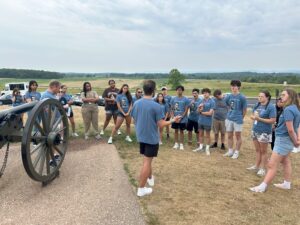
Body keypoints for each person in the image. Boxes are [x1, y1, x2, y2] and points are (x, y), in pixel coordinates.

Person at [131, 80, 181, 197]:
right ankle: (141, 189)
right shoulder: (157, 106)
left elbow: (134, 120)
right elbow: (161, 124)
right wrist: (173, 120)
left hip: (141, 136)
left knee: (147, 159)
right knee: (147, 162)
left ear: (143, 90)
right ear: (153, 91)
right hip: (151, 138)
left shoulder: (137, 103)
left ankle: (149, 177)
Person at [250, 89, 300, 192]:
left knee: (271, 165)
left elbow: (291, 129)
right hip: (285, 140)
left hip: (283, 140)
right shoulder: (295, 108)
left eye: (283, 95)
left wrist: (296, 142)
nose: (281, 97)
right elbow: (296, 127)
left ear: (290, 96)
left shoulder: (288, 110)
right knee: (286, 161)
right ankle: (287, 183)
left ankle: (262, 186)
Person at [247, 90, 276, 176]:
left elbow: (273, 120)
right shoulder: (257, 104)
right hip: (255, 130)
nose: (259, 98)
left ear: (267, 97)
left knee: (263, 151)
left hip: (264, 131)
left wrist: (260, 119)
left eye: (261, 96)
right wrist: (253, 117)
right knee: (257, 150)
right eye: (259, 96)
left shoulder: (271, 107)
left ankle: (263, 168)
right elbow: (252, 115)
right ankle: (256, 166)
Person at [223, 80, 247, 159]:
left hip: (238, 119)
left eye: (235, 86)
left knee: (238, 136)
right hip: (229, 118)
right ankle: (230, 151)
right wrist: (230, 111)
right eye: (232, 86)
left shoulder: (242, 97)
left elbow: (244, 110)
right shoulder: (229, 96)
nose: (233, 87)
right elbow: (226, 103)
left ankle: (236, 152)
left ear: (238, 87)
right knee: (229, 135)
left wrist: (241, 117)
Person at [193, 88, 215, 155]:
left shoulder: (212, 101)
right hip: (200, 120)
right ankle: (200, 147)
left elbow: (210, 113)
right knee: (200, 134)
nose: (205, 94)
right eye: (204, 93)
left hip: (208, 121)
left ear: (209, 93)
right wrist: (199, 108)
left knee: (207, 135)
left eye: (206, 93)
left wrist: (201, 113)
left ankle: (207, 148)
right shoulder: (201, 101)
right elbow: (197, 111)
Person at [170, 85, 190, 150]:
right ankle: (176, 143)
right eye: (178, 90)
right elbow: (172, 109)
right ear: (176, 91)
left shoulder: (186, 99)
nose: (179, 91)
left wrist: (181, 118)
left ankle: (181, 144)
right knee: (175, 131)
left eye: (180, 90)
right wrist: (173, 118)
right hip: (175, 118)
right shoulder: (173, 99)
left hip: (182, 119)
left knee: (181, 131)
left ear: (182, 91)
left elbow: (186, 110)